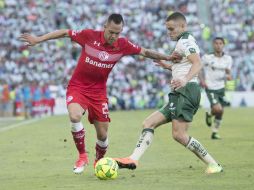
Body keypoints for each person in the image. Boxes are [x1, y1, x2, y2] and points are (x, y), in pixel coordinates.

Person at [19, 13, 181, 174]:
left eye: (118, 33)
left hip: (99, 93)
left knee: (102, 136)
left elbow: (145, 52)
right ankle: (82, 156)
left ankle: (99, 161)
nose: (114, 36)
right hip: (78, 87)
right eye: (111, 32)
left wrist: (167, 57)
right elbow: (64, 32)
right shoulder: (89, 36)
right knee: (75, 116)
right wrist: (38, 39)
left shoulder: (123, 44)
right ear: (105, 27)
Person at [114, 12, 223, 174]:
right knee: (148, 123)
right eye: (167, 29)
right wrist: (167, 66)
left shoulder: (185, 42)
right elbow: (184, 65)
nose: (169, 32)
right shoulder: (182, 42)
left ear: (183, 26)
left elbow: (198, 63)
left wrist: (185, 79)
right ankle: (133, 159)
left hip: (187, 91)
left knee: (179, 135)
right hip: (179, 92)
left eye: (172, 29)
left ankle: (214, 164)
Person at [199, 37, 232, 139]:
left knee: (220, 111)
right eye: (216, 43)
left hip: (221, 87)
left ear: (223, 45)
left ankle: (215, 132)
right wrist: (202, 81)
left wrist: (229, 77)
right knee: (217, 108)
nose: (218, 45)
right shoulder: (207, 57)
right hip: (210, 87)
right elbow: (199, 69)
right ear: (213, 45)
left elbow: (228, 73)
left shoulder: (228, 59)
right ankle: (210, 113)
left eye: (220, 43)